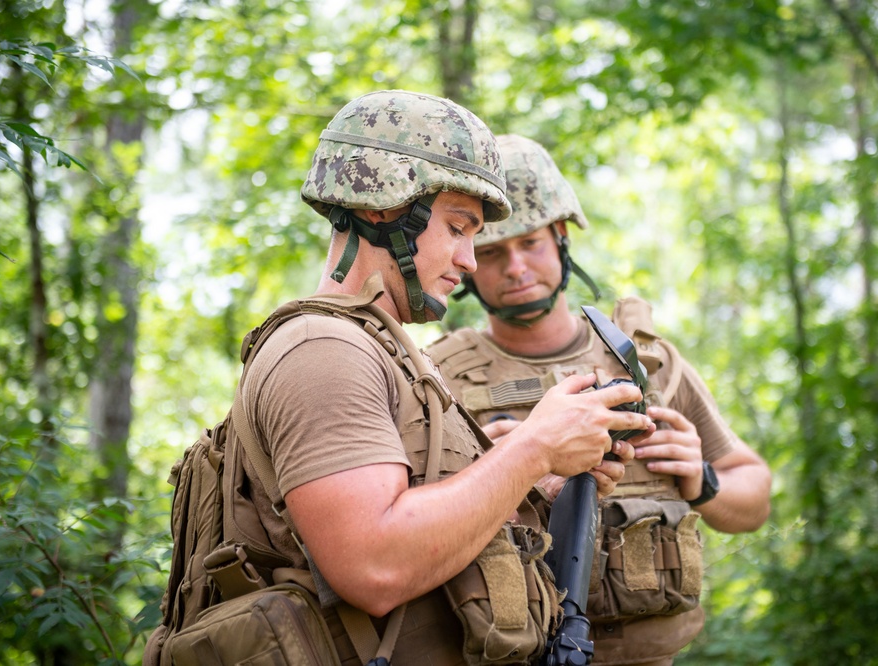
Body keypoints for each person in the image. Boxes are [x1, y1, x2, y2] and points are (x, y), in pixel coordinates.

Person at [232, 92, 653, 665]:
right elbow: (374, 566)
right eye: (459, 228)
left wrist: (535, 488)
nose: (472, 261)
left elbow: (420, 524)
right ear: (383, 209)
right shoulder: (323, 350)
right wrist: (533, 448)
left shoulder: (383, 350)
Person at [426, 134, 773, 666]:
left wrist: (702, 479)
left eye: (531, 243)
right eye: (493, 252)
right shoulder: (440, 377)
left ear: (561, 237)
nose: (515, 267)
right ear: (469, 260)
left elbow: (755, 499)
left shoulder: (648, 365)